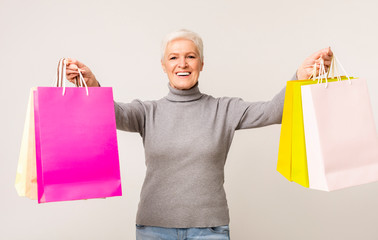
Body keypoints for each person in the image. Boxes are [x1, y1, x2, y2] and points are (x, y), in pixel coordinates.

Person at [65, 29, 333, 240]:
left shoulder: (224, 109)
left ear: (201, 63)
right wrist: (91, 86)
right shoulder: (147, 112)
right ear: (163, 65)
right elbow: (110, 114)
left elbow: (274, 111)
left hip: (209, 231)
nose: (182, 63)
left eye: (190, 56)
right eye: (173, 57)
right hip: (154, 229)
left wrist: (301, 75)